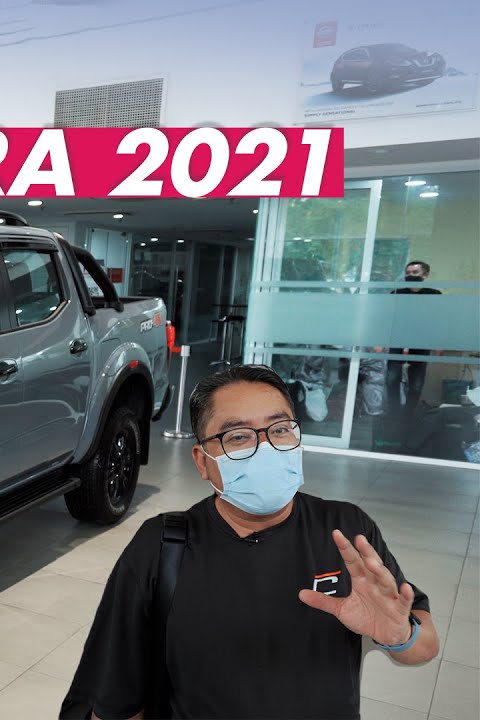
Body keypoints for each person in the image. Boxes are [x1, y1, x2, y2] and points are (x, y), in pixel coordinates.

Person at [60, 365, 438, 719]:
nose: (266, 447)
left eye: (280, 429)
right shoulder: (162, 546)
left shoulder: (346, 531)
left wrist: (400, 636)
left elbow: (424, 644)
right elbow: (117, 701)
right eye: (238, 436)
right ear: (202, 461)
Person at [387, 261, 443, 417]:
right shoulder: (396, 293)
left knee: (416, 382)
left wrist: (439, 343)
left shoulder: (434, 295)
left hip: (421, 340)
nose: (410, 275)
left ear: (425, 275)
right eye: (408, 272)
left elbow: (439, 320)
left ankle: (408, 413)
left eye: (415, 272)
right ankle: (393, 411)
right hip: (397, 339)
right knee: (392, 378)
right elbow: (388, 318)